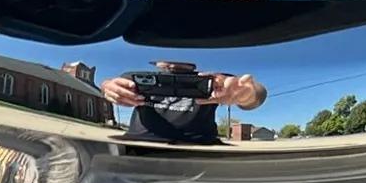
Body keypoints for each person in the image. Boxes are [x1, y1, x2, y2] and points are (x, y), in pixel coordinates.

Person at [101, 62, 266, 144]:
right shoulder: (137, 78)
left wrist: (247, 94)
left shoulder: (215, 80)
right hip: (140, 145)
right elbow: (111, 88)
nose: (171, 64)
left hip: (202, 148)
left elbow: (258, 95)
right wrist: (107, 88)